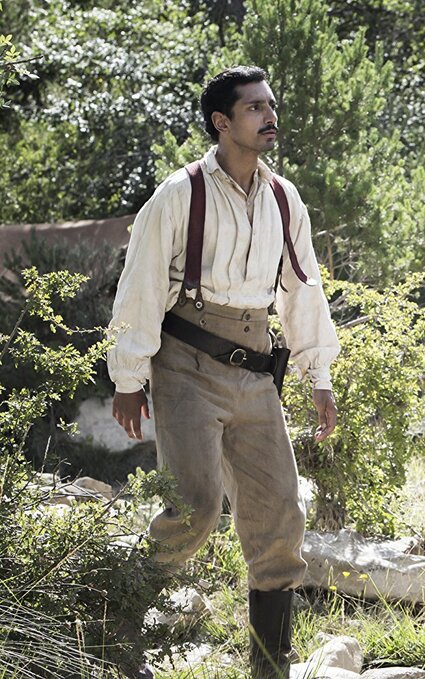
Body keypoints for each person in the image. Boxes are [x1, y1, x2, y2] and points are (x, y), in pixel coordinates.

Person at [107, 66, 340, 679]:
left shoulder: (284, 197)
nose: (270, 116)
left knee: (280, 515)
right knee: (195, 509)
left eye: (271, 105)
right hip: (185, 364)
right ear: (222, 122)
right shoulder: (180, 194)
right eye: (255, 108)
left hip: (257, 370)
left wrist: (318, 375)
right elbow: (140, 285)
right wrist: (128, 378)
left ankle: (270, 666)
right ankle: (114, 629)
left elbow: (303, 290)